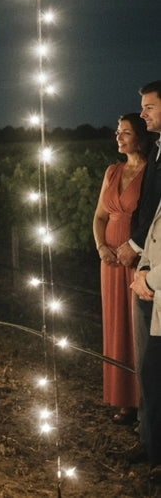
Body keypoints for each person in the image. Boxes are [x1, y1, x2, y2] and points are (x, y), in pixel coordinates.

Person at [94, 114, 152, 424]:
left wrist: (133, 249)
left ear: (140, 137)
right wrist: (102, 248)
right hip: (111, 262)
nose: (118, 137)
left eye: (125, 132)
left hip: (136, 259)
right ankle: (123, 400)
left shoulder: (152, 173)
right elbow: (100, 217)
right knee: (115, 324)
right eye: (117, 131)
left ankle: (143, 399)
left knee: (137, 328)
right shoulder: (112, 171)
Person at [128, 81, 161, 466]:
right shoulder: (155, 151)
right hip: (148, 266)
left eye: (149, 106)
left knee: (153, 368)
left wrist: (149, 274)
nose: (142, 113)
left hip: (153, 274)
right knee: (148, 367)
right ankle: (150, 444)